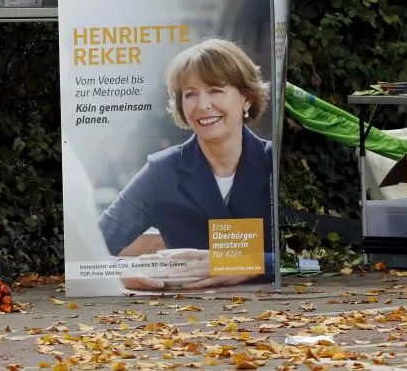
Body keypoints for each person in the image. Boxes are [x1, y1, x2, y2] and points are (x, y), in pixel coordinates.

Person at [98, 37, 275, 291]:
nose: (202, 105)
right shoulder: (162, 171)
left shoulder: (275, 164)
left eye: (216, 90)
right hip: (180, 316)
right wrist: (119, 270)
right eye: (190, 94)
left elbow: (315, 260)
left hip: (277, 314)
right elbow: (89, 250)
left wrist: (250, 263)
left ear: (246, 98)